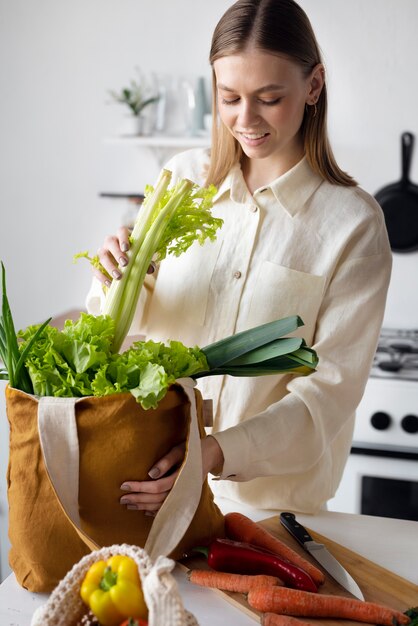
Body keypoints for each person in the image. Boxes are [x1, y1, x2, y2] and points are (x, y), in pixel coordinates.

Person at [87, 0, 392, 515]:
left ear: (313, 86)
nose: (245, 120)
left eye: (269, 98)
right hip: (147, 487)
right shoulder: (182, 182)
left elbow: (329, 395)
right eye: (228, 97)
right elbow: (111, 329)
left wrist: (213, 452)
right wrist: (117, 274)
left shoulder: (353, 224)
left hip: (268, 514)